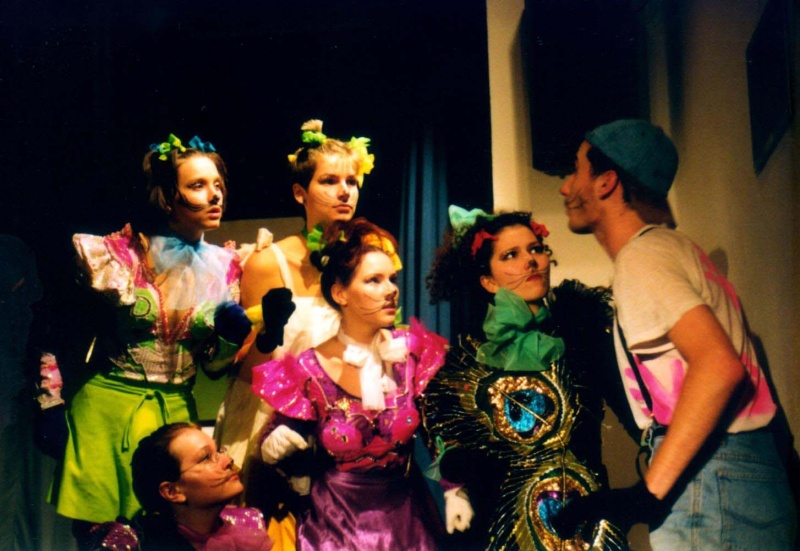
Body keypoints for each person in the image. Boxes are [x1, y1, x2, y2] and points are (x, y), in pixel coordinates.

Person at [554, 119, 797, 549]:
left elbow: (719, 366)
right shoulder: (676, 249)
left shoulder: (642, 258)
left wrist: (646, 495)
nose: (565, 186)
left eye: (576, 170)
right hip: (744, 472)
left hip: (711, 476)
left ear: (606, 182)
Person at [46, 134, 252, 546]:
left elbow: (212, 367)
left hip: (175, 419)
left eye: (218, 185)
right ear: (166, 196)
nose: (214, 196)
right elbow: (58, 329)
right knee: (106, 538)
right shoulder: (117, 255)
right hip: (107, 416)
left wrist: (230, 338)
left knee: (175, 536)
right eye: (197, 185)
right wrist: (49, 401)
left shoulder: (226, 265)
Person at [423, 205, 625, 550]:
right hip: (510, 533)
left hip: (590, 528)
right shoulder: (470, 362)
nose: (530, 261)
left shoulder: (583, 333)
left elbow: (630, 407)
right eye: (511, 255)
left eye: (536, 249)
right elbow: (451, 451)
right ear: (488, 280)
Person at [213, 120, 374, 543]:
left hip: (338, 426)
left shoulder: (368, 263)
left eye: (351, 181)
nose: (345, 191)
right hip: (270, 423)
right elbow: (246, 370)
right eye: (329, 181)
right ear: (300, 192)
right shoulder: (269, 263)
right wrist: (269, 333)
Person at [251, 218, 447, 550]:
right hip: (335, 527)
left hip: (409, 521)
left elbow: (442, 430)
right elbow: (275, 444)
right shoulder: (308, 369)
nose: (391, 290)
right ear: (340, 293)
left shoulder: (413, 353)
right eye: (374, 280)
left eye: (392, 279)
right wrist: (275, 444)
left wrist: (453, 487)